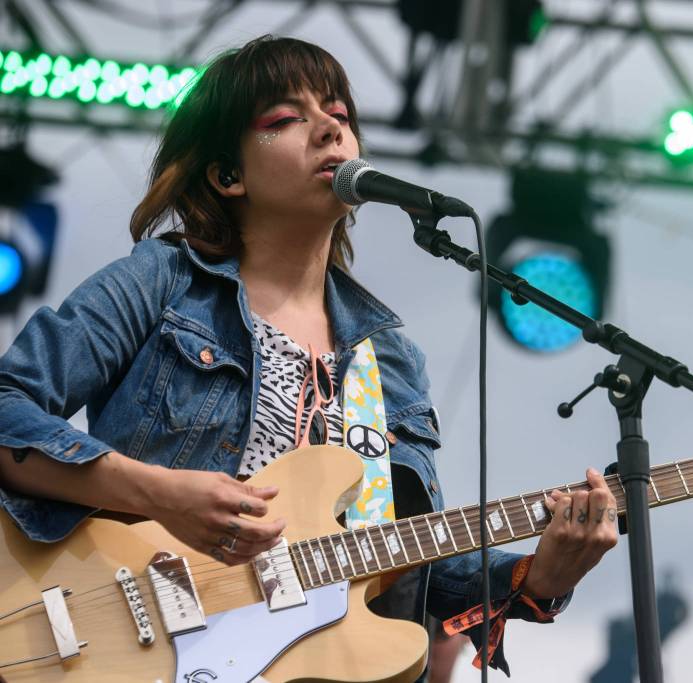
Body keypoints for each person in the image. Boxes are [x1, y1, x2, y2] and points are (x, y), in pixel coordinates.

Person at [0, 35, 617, 678]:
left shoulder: (390, 359)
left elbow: (402, 570)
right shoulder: (162, 283)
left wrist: (536, 577)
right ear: (226, 175)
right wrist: (161, 494)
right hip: (128, 638)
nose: (329, 127)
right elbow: (6, 404)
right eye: (287, 118)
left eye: (340, 115)